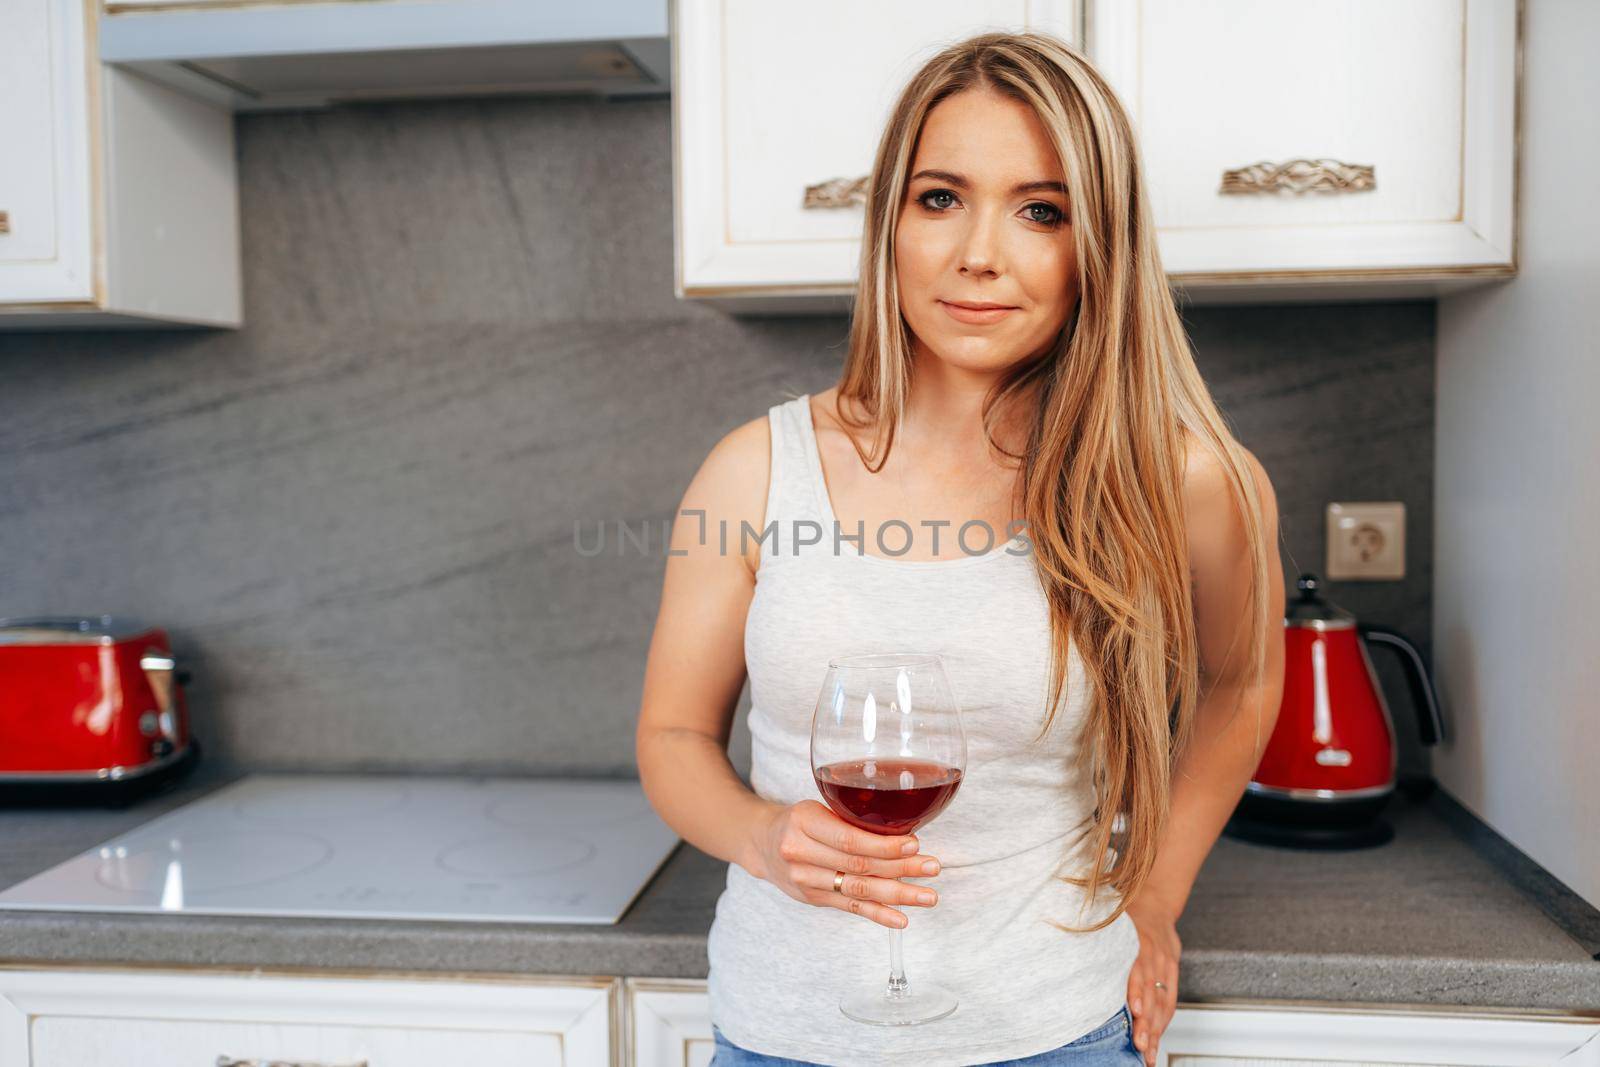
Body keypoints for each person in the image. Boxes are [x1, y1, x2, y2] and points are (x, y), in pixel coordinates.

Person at [636, 29, 1286, 1067]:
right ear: (888, 222)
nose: (978, 251)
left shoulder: (1189, 479)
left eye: (1041, 210)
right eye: (940, 198)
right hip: (781, 1032)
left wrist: (1154, 897)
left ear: (1098, 247)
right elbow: (672, 735)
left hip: (1051, 1029)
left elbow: (1241, 683)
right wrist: (759, 834)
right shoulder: (754, 468)